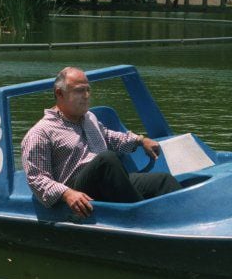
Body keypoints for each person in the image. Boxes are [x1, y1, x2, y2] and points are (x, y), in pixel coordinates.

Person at [21, 67, 181, 218]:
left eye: (87, 89)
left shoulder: (89, 117)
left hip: (108, 178)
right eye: (79, 91)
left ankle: (184, 218)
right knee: (106, 160)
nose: (86, 95)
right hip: (78, 189)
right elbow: (37, 178)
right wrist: (67, 194)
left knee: (163, 181)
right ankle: (142, 218)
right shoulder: (41, 132)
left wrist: (140, 140)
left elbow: (109, 137)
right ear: (59, 93)